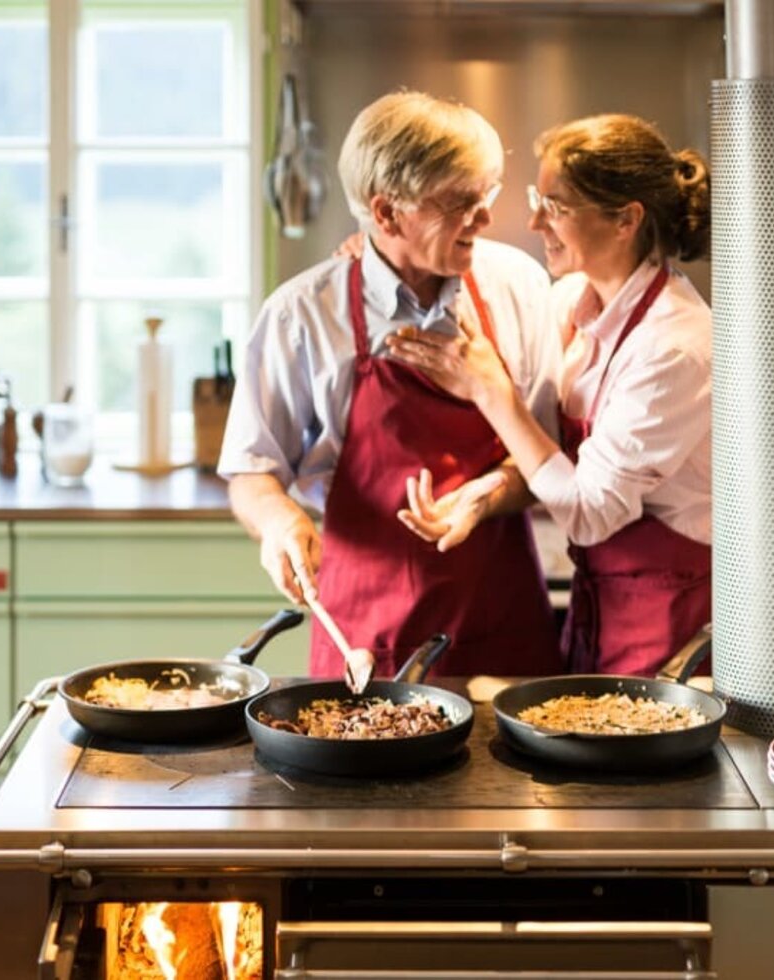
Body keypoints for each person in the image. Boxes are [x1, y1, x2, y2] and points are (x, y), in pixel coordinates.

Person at [218, 91, 565, 680]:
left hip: (503, 632)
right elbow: (252, 471)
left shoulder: (520, 287)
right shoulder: (300, 316)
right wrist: (280, 523)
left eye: (490, 192)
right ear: (386, 214)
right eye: (461, 200)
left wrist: (488, 493)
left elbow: (546, 453)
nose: (485, 216)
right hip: (362, 638)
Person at [388, 113, 711, 677]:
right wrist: (379, 243)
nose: (535, 220)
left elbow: (589, 511)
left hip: (669, 608)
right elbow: (548, 451)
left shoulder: (675, 346)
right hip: (603, 599)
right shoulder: (569, 303)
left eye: (556, 207)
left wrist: (493, 395)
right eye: (540, 197)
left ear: (625, 220)